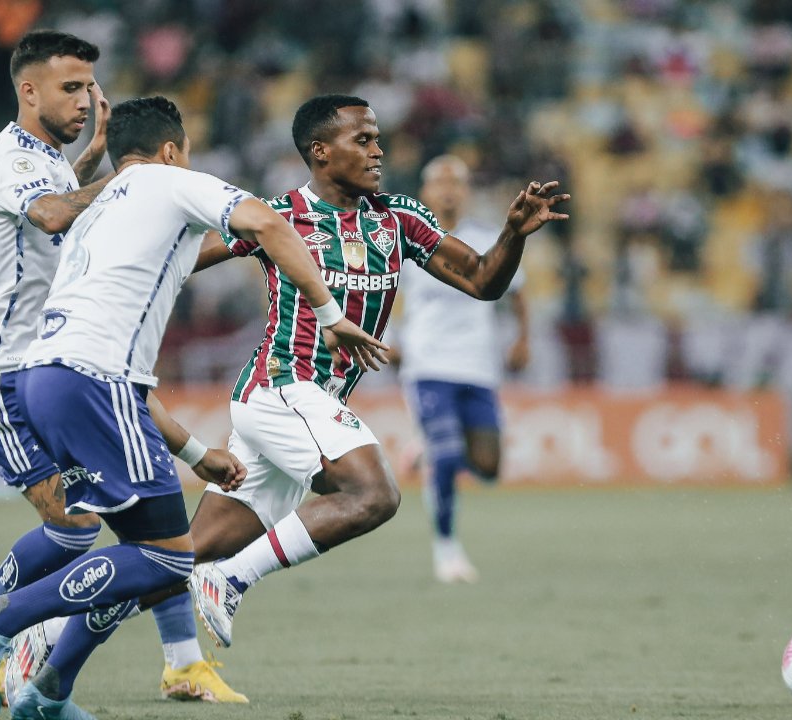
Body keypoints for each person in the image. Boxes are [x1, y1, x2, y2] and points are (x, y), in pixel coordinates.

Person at [0, 95, 388, 720]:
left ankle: (49, 693)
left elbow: (122, 360)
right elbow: (269, 224)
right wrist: (332, 314)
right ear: (173, 150)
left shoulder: (99, 212)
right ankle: (2, 617)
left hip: (49, 381)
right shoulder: (166, 179)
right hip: (90, 382)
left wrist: (194, 453)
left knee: (152, 558)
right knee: (167, 558)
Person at [186, 94, 568, 648]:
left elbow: (484, 281)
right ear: (320, 151)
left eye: (378, 139)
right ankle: (231, 581)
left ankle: (47, 634)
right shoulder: (276, 217)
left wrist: (512, 235)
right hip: (282, 384)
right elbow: (186, 260)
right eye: (362, 141)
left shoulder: (398, 220)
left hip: (311, 404)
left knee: (188, 549)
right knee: (374, 494)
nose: (377, 151)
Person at [0, 29, 245, 706]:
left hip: (59, 370)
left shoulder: (52, 161)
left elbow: (81, 214)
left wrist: (237, 245)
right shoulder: (12, 157)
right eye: (70, 87)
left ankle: (71, 682)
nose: (87, 100)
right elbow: (52, 215)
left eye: (89, 86)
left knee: (144, 531)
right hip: (4, 375)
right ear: (29, 91)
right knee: (85, 530)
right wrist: (135, 177)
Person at [392, 154, 530, 583]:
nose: (449, 190)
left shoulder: (490, 238)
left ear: (467, 192)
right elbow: (384, 293)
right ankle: (447, 549)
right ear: (426, 191)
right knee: (448, 456)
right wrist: (389, 339)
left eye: (457, 183)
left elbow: (518, 293)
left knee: (488, 467)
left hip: (477, 366)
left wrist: (524, 338)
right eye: (441, 183)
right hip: (427, 363)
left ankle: (425, 446)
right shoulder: (407, 240)